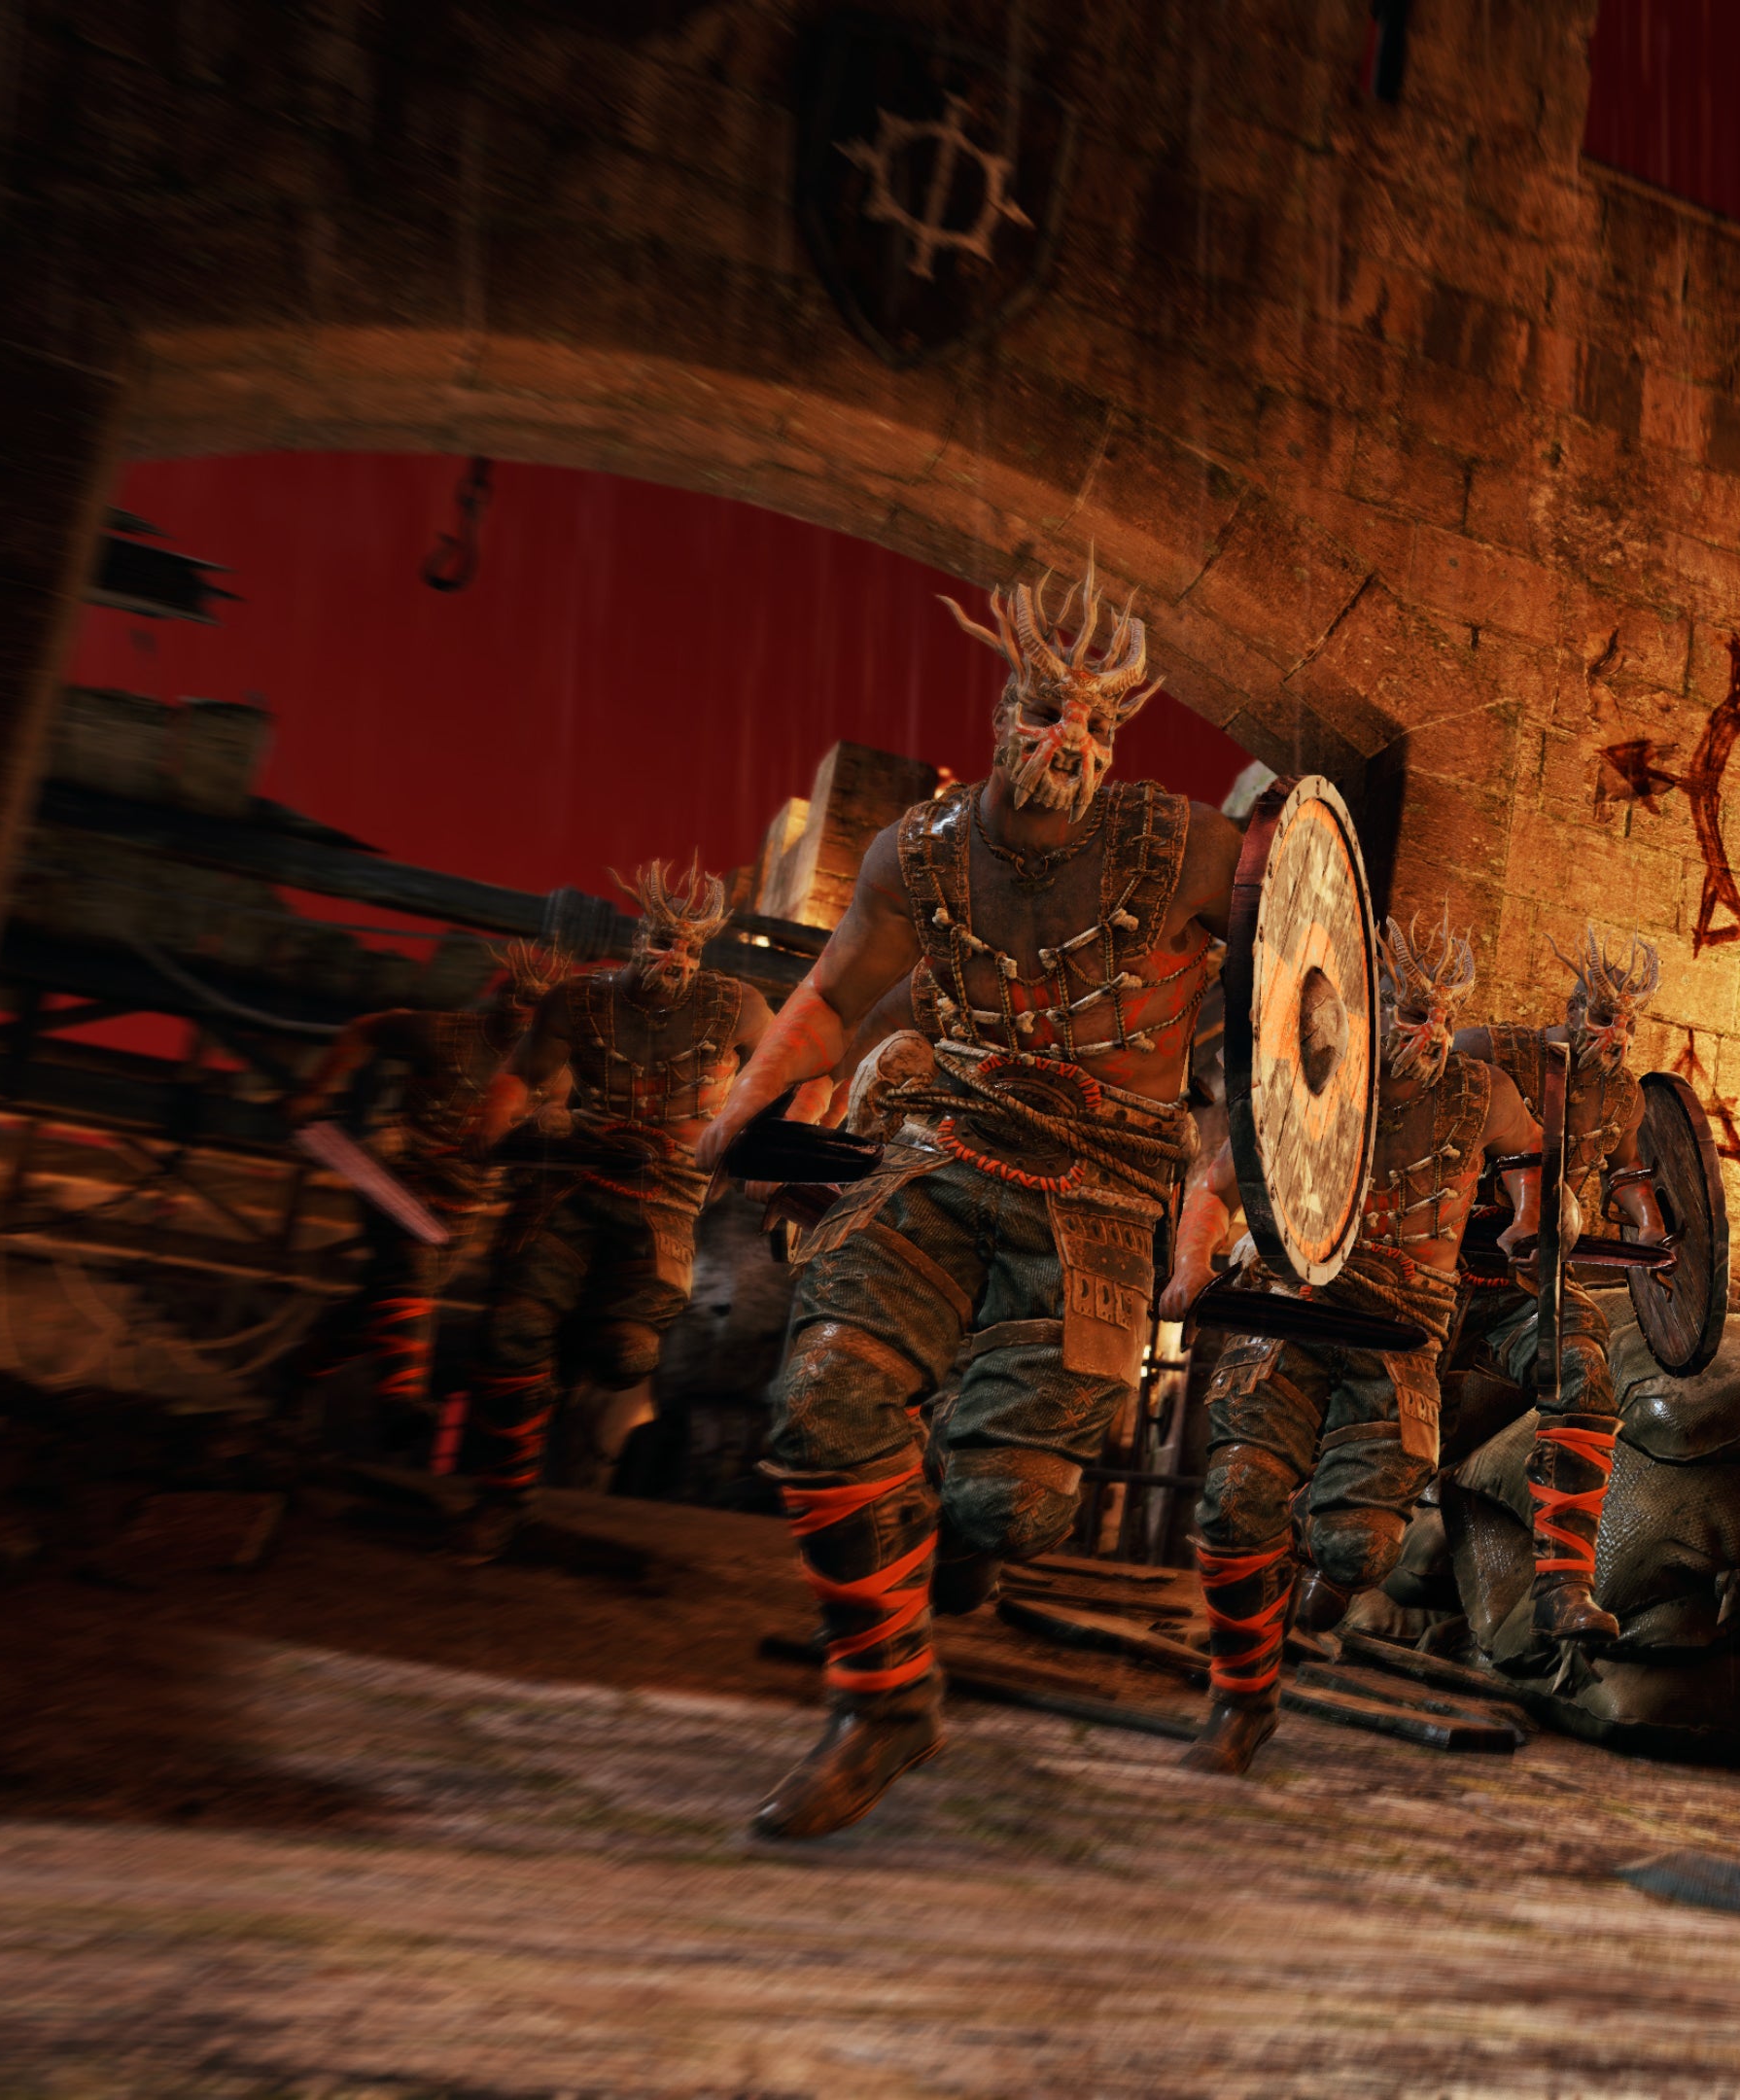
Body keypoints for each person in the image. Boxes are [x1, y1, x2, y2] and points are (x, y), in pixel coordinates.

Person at [698, 564, 1237, 1841]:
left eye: (1098, 726)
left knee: (1014, 1506)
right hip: (947, 1146)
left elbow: (1303, 1007)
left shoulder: (1192, 850)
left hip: (1104, 1191)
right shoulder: (919, 854)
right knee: (821, 1396)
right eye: (1048, 713)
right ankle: (884, 1703)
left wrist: (1255, 1188)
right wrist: (742, 1109)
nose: (1072, 742)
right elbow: (833, 997)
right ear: (1002, 716)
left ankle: (955, 1495)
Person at [1167, 910, 1542, 1775]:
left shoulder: (1483, 1093)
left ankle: (1316, 1571)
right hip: (1294, 1306)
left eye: (1444, 1014)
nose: (1430, 1032)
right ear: (1378, 1006)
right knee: (1235, 1496)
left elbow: (1530, 1152)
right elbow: (1214, 1186)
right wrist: (1191, 1266)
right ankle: (1239, 1700)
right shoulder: (1314, 1075)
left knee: (1361, 1545)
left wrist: (1530, 1216)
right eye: (1412, 1012)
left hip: (1401, 1332)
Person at [455, 867, 771, 1559]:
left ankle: (556, 1370)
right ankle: (501, 1497)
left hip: (667, 1196)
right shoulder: (577, 1001)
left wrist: (773, 1158)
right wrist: (495, 1116)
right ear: (637, 938)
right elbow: (522, 1073)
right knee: (513, 1331)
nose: (676, 958)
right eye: (663, 942)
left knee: (626, 1355)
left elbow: (785, 1080)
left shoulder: (739, 1006)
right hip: (573, 1178)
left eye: (690, 949)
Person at [1444, 930, 1667, 1663]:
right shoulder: (1489, 1052)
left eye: (1628, 1023)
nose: (1617, 1036)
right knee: (1392, 1426)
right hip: (1431, 1272)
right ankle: (1308, 1554)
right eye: (1603, 1017)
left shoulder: (1622, 1095)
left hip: (1524, 1285)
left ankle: (1563, 1587)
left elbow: (1628, 1176)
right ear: (1572, 1010)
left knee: (1582, 1366)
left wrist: (1653, 1233)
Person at [276, 941, 574, 1452]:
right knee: (413, 1272)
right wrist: (317, 1090)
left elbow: (549, 1136)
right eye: (522, 1001)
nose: (527, 1016)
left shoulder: (555, 1075)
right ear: (503, 998)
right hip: (398, 1172)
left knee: (385, 1304)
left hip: (464, 1203)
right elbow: (367, 1029)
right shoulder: (443, 1033)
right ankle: (400, 1399)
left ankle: (299, 1373)